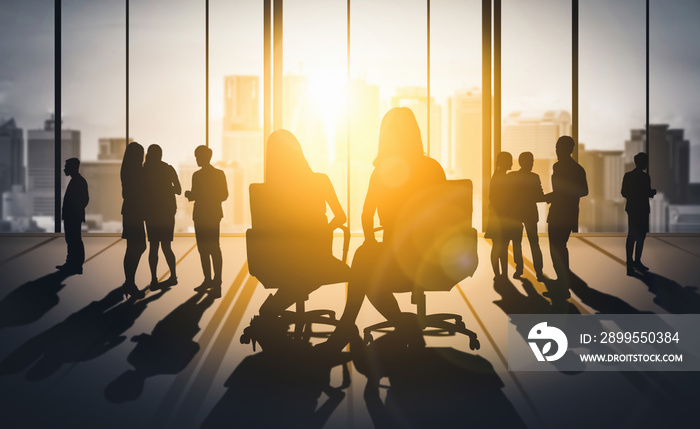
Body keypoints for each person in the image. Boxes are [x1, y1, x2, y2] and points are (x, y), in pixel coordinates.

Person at [323, 107, 446, 350]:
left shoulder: (382, 172)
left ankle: (368, 324)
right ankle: (397, 323)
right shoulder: (434, 169)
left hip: (397, 256)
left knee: (363, 265)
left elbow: (366, 215)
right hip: (432, 257)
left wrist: (371, 243)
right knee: (366, 269)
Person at [255, 129, 349, 317]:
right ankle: (273, 307)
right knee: (312, 273)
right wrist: (325, 229)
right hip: (316, 255)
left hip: (280, 258)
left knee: (302, 274)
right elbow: (341, 217)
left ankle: (273, 306)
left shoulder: (268, 192)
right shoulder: (321, 180)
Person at [544, 136, 588, 294]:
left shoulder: (562, 167)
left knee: (556, 248)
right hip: (567, 213)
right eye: (556, 147)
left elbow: (566, 192)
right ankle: (563, 281)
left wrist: (550, 197)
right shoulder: (577, 168)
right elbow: (581, 191)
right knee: (561, 247)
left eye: (559, 147)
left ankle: (563, 286)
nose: (556, 150)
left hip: (559, 213)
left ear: (568, 150)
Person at [185, 145, 228, 297]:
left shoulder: (197, 176)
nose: (196, 159)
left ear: (204, 157)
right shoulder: (219, 174)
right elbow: (224, 195)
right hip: (213, 214)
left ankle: (210, 280)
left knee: (205, 249)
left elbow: (197, 195)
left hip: (202, 214)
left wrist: (192, 195)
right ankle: (216, 281)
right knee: (213, 248)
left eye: (197, 157)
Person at [143, 144, 181, 289]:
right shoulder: (168, 169)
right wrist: (166, 188)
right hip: (167, 213)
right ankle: (173, 276)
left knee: (153, 247)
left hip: (151, 213)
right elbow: (178, 190)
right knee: (166, 246)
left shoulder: (145, 170)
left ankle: (153, 279)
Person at [508, 151, 546, 281]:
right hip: (530, 213)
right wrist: (550, 197)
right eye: (531, 161)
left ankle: (519, 269)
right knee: (534, 243)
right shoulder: (534, 177)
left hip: (516, 214)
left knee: (516, 243)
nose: (532, 164)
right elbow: (539, 196)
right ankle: (539, 272)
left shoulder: (512, 176)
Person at [621, 152, 656, 276]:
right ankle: (637, 261)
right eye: (645, 161)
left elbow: (624, 193)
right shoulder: (646, 177)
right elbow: (646, 193)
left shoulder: (628, 176)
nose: (646, 164)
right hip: (642, 209)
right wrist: (651, 192)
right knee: (640, 236)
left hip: (632, 209)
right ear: (641, 162)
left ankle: (630, 263)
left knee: (632, 236)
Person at [121, 142, 147, 299]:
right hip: (134, 213)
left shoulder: (128, 169)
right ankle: (129, 283)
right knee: (137, 247)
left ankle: (129, 282)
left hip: (131, 212)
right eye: (141, 153)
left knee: (133, 247)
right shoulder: (136, 171)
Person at [56, 157, 89, 275]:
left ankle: (76, 265)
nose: (64, 169)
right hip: (73, 216)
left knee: (74, 240)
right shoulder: (77, 181)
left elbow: (85, 199)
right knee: (72, 240)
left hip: (73, 217)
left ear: (73, 167)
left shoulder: (78, 181)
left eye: (66, 167)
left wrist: (74, 211)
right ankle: (72, 263)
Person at [485, 152, 515, 280]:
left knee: (498, 246)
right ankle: (501, 274)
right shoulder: (503, 178)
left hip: (497, 217)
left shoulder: (497, 176)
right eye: (510, 161)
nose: (512, 163)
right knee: (501, 246)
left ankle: (499, 274)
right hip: (501, 217)